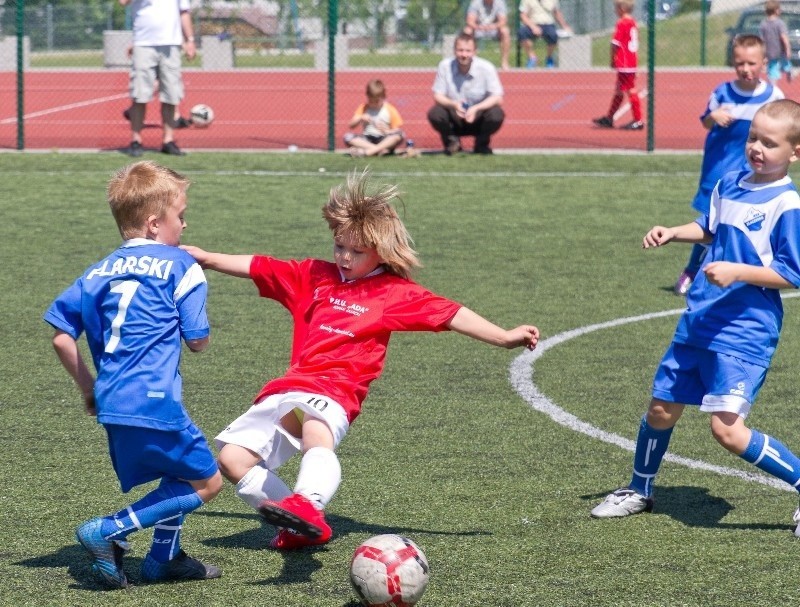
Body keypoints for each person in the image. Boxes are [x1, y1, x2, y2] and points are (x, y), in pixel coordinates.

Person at [181, 170, 539, 550]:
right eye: (339, 246)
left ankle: (309, 504)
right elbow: (260, 265)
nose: (345, 257)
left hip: (335, 391)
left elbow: (451, 314)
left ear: (381, 252)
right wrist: (205, 258)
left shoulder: (392, 292)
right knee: (232, 460)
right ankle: (296, 522)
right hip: (289, 386)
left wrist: (504, 336)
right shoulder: (314, 276)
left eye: (357, 252)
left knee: (316, 430)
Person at [591, 100, 800, 531]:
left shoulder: (787, 204)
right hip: (699, 319)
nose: (757, 148)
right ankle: (640, 488)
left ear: (794, 153)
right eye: (752, 138)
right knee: (661, 410)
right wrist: (673, 232)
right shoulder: (729, 183)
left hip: (744, 330)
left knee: (727, 431)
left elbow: (791, 272)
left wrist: (737, 271)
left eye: (770, 142)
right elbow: (709, 227)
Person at [43, 161, 223, 588]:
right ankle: (108, 530)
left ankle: (164, 559)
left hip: (112, 399)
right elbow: (197, 341)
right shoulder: (182, 266)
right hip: (154, 398)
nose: (185, 223)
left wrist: (89, 389)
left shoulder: (97, 271)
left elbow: (60, 337)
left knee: (176, 473)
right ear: (154, 223)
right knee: (208, 482)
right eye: (181, 215)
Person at [673, 34, 784, 296]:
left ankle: (744, 273)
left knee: (747, 227)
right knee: (709, 226)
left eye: (751, 63)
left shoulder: (774, 97)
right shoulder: (722, 93)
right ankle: (691, 271)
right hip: (717, 175)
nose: (746, 69)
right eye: (739, 63)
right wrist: (713, 116)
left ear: (764, 63)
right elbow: (705, 122)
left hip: (753, 178)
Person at [120, 0, 196, 157]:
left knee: (171, 95)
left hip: (171, 44)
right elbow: (123, 2)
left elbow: (184, 12)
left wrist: (190, 40)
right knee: (140, 95)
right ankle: (136, 140)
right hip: (144, 43)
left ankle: (168, 141)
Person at [427, 32, 505, 155]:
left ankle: (481, 144)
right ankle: (452, 143)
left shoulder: (487, 68)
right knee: (435, 113)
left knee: (496, 114)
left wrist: (476, 108)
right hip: (455, 115)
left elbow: (498, 98)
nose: (464, 55)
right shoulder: (445, 66)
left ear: (475, 51)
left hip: (478, 116)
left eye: (468, 51)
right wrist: (454, 105)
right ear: (454, 51)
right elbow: (437, 96)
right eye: (460, 50)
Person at [592, 0, 644, 131]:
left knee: (630, 89)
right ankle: (609, 117)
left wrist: (613, 59)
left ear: (622, 8)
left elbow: (615, 43)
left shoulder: (622, 23)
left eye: (616, 7)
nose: (615, 10)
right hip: (630, 60)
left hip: (625, 62)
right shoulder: (633, 22)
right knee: (619, 90)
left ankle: (638, 120)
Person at [343, 79, 405, 158]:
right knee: (348, 137)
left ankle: (368, 152)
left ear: (383, 97)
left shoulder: (389, 109)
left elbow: (396, 130)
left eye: (376, 102)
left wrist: (387, 131)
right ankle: (378, 150)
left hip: (383, 139)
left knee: (400, 134)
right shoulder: (364, 108)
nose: (373, 104)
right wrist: (360, 118)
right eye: (370, 101)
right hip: (367, 139)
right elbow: (351, 125)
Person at [518, 0, 572, 69]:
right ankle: (532, 58)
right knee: (522, 33)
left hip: (548, 24)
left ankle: (549, 58)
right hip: (532, 24)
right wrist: (533, 27)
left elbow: (557, 13)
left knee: (553, 35)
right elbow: (523, 16)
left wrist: (565, 26)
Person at [464, 0, 511, 71]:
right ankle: (470, 61)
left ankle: (504, 62)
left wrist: (493, 26)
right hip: (478, 28)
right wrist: (478, 27)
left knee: (505, 31)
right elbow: (470, 21)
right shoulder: (475, 3)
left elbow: (503, 21)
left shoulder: (500, 2)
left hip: (494, 29)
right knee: (467, 31)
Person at [759, 0, 792, 85]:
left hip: (771, 51)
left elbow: (762, 40)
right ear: (776, 10)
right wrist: (788, 49)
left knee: (780, 64)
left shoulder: (763, 24)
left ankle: (788, 71)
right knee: (775, 67)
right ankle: (774, 83)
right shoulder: (780, 23)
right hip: (778, 51)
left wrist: (763, 53)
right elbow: (784, 37)